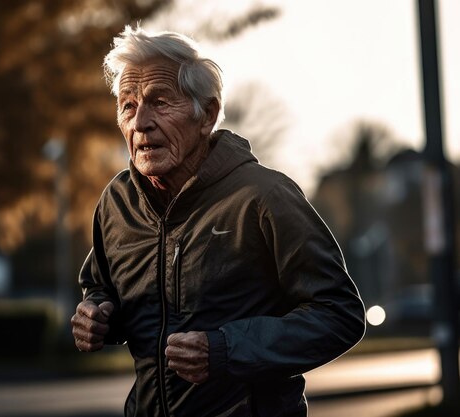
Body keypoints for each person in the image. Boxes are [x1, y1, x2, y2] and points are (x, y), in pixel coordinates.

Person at [71, 25, 365, 417]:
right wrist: (98, 314)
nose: (140, 121)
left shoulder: (263, 196)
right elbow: (101, 287)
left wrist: (228, 349)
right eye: (128, 105)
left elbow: (339, 314)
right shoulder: (117, 202)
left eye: (159, 102)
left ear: (206, 114)